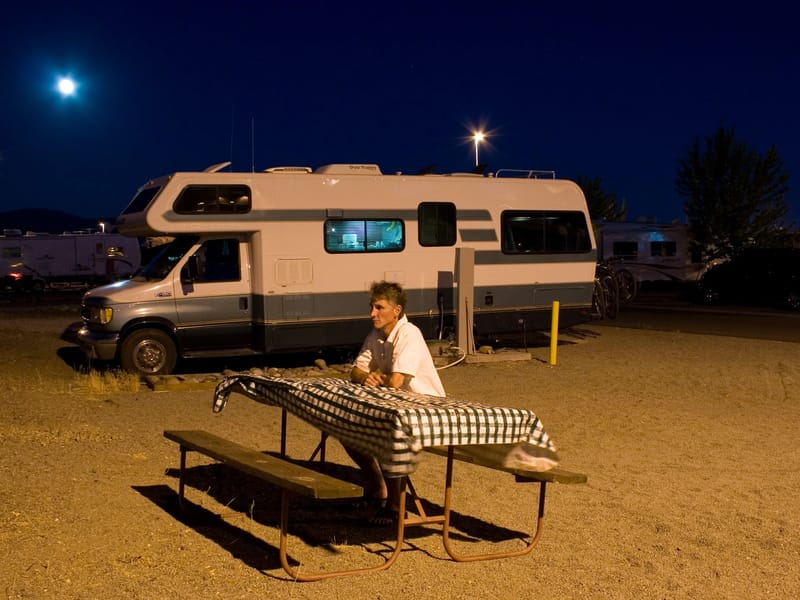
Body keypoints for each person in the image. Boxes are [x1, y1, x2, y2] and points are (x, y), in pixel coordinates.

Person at [346, 280, 445, 526]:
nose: (372, 313)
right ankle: (378, 489)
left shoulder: (409, 333)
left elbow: (396, 382)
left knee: (383, 434)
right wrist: (367, 376)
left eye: (379, 308)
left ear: (396, 311)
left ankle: (395, 506)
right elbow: (355, 371)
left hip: (424, 407)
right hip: (398, 405)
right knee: (347, 430)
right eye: (372, 307)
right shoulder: (376, 334)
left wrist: (376, 379)